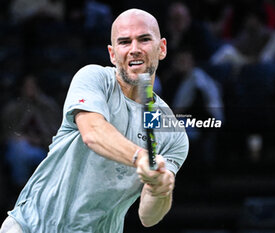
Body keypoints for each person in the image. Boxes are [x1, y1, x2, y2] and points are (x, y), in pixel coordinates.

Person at [0, 8, 189, 233]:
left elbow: (148, 216)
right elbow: (93, 132)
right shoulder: (93, 79)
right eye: (124, 42)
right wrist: (140, 158)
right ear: (112, 53)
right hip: (31, 227)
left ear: (162, 48)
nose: (134, 49)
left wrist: (160, 189)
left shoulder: (172, 133)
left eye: (144, 39)